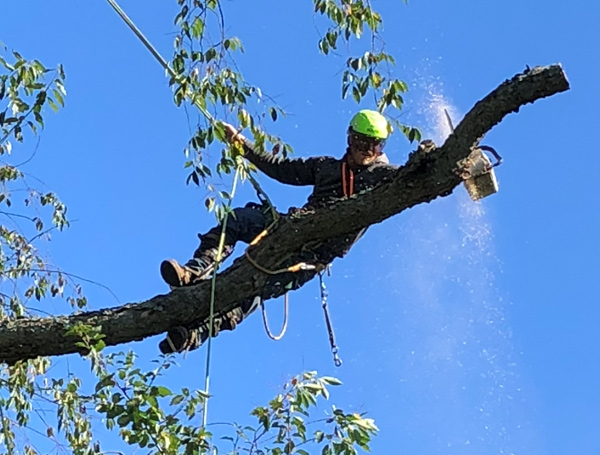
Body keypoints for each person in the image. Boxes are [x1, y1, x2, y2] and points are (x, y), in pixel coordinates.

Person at [158, 109, 400, 354]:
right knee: (238, 219)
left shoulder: (381, 179)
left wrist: (428, 157)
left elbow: (409, 176)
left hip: (309, 257)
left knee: (255, 285)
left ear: (381, 148)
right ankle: (196, 270)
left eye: (373, 146)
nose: (366, 150)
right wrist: (241, 144)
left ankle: (192, 334)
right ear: (349, 139)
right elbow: (281, 169)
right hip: (287, 229)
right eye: (360, 142)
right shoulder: (326, 167)